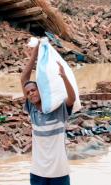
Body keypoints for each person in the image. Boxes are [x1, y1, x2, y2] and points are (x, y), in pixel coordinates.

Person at [21, 42, 76, 185]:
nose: (31, 93)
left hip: (59, 172)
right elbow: (24, 79)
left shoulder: (59, 109)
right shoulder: (31, 109)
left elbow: (72, 98)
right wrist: (35, 54)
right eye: (28, 93)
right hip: (38, 172)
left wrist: (64, 78)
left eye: (34, 90)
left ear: (40, 90)